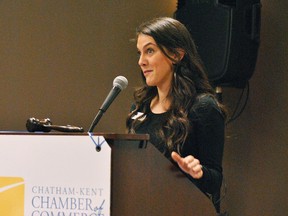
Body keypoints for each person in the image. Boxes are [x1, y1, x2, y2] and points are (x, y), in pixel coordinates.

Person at [126, 17, 227, 213]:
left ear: (177, 54)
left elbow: (215, 181)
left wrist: (197, 172)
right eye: (139, 53)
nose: (141, 61)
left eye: (149, 51)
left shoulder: (203, 107)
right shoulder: (141, 107)